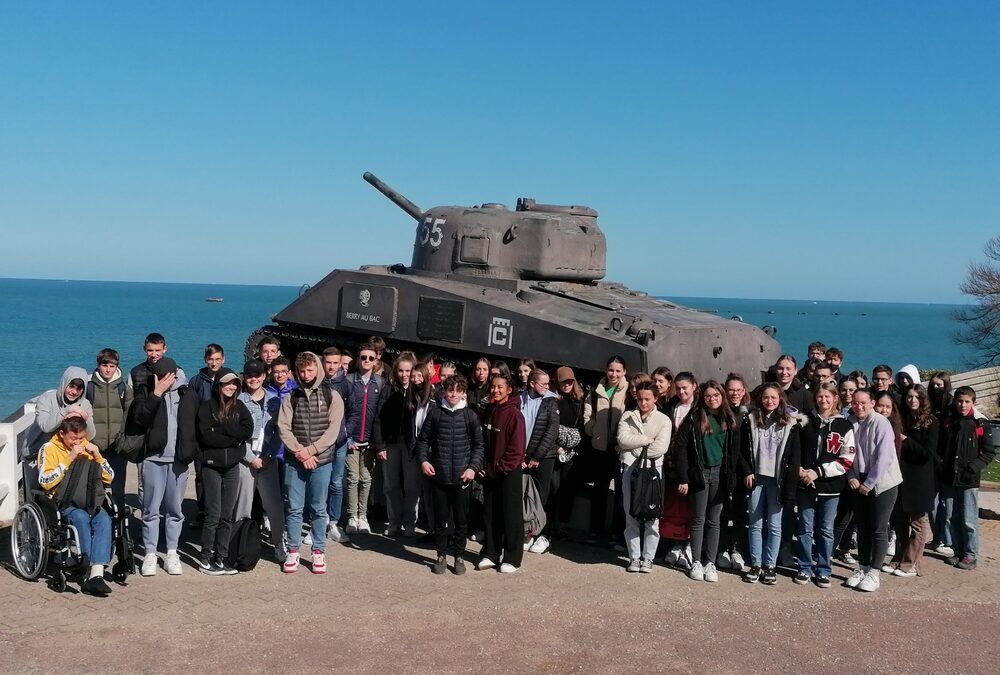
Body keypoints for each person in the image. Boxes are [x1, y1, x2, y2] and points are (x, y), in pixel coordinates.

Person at [278, 352, 345, 574]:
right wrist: (300, 453)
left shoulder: (331, 396)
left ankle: (318, 551)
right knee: (294, 508)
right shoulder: (291, 397)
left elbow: (332, 431)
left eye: (310, 369)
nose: (306, 375)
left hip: (322, 461)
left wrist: (311, 451)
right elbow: (284, 428)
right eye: (302, 371)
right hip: (295, 462)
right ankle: (293, 550)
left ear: (318, 368)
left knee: (318, 508)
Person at [130, 357, 196, 577]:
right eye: (159, 376)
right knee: (150, 509)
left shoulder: (187, 393)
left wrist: (191, 452)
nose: (163, 379)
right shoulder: (146, 392)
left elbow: (195, 425)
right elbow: (138, 420)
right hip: (152, 459)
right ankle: (150, 553)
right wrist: (156, 394)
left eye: (167, 375)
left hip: (178, 460)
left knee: (175, 510)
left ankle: (171, 552)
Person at [37, 415, 115, 596]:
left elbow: (109, 478)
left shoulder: (89, 447)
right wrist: (69, 459)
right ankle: (85, 566)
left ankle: (96, 575)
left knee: (103, 518)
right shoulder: (49, 449)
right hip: (61, 501)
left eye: (81, 438)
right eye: (73, 438)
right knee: (80, 518)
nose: (78, 442)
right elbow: (45, 481)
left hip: (88, 500)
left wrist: (98, 457)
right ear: (62, 433)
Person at [415, 375, 485, 575]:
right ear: (444, 391)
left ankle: (459, 556)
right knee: (440, 520)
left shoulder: (470, 416)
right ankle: (441, 556)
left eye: (457, 390)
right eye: (450, 390)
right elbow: (423, 441)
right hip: (439, 477)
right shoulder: (435, 414)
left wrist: (472, 467)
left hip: (462, 478)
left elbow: (479, 445)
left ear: (463, 393)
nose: (453, 394)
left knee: (461, 521)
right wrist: (424, 461)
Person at [674, 381, 738, 582]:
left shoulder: (730, 418)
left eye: (716, 395)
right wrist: (683, 477)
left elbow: (734, 451)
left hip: (720, 474)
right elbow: (681, 448)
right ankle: (696, 561)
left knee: (714, 520)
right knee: (698, 519)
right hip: (700, 474)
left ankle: (710, 562)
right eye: (709, 395)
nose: (713, 399)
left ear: (722, 397)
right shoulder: (695, 418)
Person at [795, 382, 856, 588]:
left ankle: (823, 568)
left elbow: (847, 460)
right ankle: (804, 566)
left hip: (830, 488)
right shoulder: (803, 422)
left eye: (828, 397)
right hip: (805, 485)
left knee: (825, 530)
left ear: (835, 398)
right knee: (804, 529)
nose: (824, 400)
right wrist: (800, 470)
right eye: (820, 396)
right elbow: (794, 449)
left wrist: (819, 472)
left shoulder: (844, 426)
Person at [739, 383, 801, 585]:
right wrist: (747, 470)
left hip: (778, 480)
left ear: (780, 399)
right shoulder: (751, 420)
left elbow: (794, 458)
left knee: (775, 525)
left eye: (774, 397)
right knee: (755, 524)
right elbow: (743, 449)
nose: (769, 401)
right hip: (757, 478)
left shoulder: (790, 423)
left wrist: (790, 488)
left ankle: (770, 565)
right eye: (766, 397)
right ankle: (756, 564)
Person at [845, 389, 903, 592]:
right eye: (855, 403)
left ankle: (874, 573)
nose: (859, 407)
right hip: (858, 479)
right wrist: (851, 476)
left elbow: (884, 457)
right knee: (862, 527)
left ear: (872, 403)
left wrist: (868, 483)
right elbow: (847, 452)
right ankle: (863, 567)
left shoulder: (881, 423)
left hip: (882, 482)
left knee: (879, 527)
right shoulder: (849, 422)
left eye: (863, 403)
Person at [196, 372, 254, 575]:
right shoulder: (206, 407)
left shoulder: (239, 407)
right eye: (227, 383)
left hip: (232, 466)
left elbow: (248, 430)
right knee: (213, 514)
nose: (231, 386)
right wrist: (233, 436)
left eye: (234, 383)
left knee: (227, 515)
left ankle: (221, 557)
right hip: (211, 465)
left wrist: (223, 430)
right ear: (219, 385)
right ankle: (205, 558)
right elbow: (206, 437)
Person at [936, 386, 996, 570]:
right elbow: (940, 446)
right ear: (955, 401)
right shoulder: (947, 421)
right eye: (960, 401)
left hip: (968, 478)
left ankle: (970, 554)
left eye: (967, 401)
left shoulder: (980, 424)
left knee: (969, 519)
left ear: (973, 403)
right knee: (950, 516)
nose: (963, 405)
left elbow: (989, 452)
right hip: (948, 477)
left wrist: (973, 467)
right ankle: (958, 550)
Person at [617, 381, 671, 573]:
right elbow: (622, 440)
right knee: (630, 513)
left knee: (652, 516)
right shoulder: (628, 416)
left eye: (647, 399)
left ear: (655, 398)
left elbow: (660, 448)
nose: (643, 403)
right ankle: (634, 557)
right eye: (640, 399)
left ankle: (648, 558)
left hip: (653, 471)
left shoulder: (664, 420)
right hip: (630, 470)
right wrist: (645, 441)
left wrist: (636, 448)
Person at [335, 342, 388, 535]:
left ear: (376, 361)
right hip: (351, 438)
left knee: (366, 478)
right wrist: (347, 437)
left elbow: (380, 415)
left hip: (369, 440)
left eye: (371, 358)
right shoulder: (348, 381)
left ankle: (363, 515)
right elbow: (341, 412)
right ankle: (351, 516)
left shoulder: (380, 383)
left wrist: (377, 439)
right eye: (363, 357)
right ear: (358, 359)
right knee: (352, 478)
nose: (367, 361)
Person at [477, 372, 527, 573]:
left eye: (500, 387)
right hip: (489, 472)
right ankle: (490, 552)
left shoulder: (515, 415)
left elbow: (516, 450)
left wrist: (500, 468)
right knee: (490, 514)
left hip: (508, 473)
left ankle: (512, 557)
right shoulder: (489, 410)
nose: (495, 390)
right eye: (493, 386)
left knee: (510, 515)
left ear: (509, 390)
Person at [236, 359, 285, 559]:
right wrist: (250, 458)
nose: (253, 379)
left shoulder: (275, 400)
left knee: (274, 505)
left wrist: (268, 456)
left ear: (265, 376)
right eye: (249, 376)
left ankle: (278, 542)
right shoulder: (239, 401)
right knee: (242, 505)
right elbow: (235, 435)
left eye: (257, 375)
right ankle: (240, 545)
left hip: (267, 460)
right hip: (245, 460)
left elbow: (279, 433)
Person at [890, 384, 938, 577]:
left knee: (918, 524)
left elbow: (927, 454)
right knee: (900, 521)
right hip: (902, 476)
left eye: (916, 397)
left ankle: (908, 564)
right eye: (909, 396)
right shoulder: (902, 418)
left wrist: (905, 440)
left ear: (923, 399)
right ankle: (899, 558)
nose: (912, 400)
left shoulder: (931, 422)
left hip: (920, 478)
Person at [582, 356, 629, 546]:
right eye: (611, 370)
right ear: (605, 370)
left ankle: (617, 532)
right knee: (599, 490)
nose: (614, 374)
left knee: (620, 492)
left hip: (619, 448)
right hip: (600, 446)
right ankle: (595, 530)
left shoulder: (628, 391)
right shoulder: (596, 390)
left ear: (624, 371)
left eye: (618, 371)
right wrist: (594, 432)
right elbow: (588, 415)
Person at [378, 353, 422, 537]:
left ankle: (410, 523)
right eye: (401, 370)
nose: (404, 374)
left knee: (412, 486)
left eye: (408, 371)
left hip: (411, 445)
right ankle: (394, 522)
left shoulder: (419, 391)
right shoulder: (389, 389)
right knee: (391, 485)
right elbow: (378, 419)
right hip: (391, 443)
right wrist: (380, 445)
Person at [86, 348, 133, 511]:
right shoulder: (89, 388)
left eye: (112, 366)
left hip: (117, 446)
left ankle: (119, 521)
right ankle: (97, 517)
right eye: (104, 365)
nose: (108, 369)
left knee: (118, 487)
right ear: (98, 365)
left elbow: (129, 415)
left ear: (117, 367)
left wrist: (124, 439)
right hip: (94, 447)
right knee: (95, 486)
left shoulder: (123, 388)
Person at [24, 366, 97, 467]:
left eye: (79, 388)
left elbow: (90, 435)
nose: (74, 392)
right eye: (71, 386)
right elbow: (46, 427)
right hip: (37, 455)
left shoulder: (85, 404)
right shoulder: (47, 399)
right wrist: (67, 410)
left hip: (66, 456)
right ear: (64, 383)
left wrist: (84, 416)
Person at [521, 368, 560, 554]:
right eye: (543, 383)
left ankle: (543, 535)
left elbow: (552, 431)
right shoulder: (521, 398)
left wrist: (537, 456)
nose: (546, 386)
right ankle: (527, 533)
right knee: (525, 495)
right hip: (523, 456)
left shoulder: (551, 402)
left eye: (548, 383)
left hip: (544, 457)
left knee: (542, 496)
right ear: (532, 383)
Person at [718, 373, 751, 572]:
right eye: (731, 390)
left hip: (742, 471)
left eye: (739, 390)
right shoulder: (721, 413)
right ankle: (722, 548)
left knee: (739, 511)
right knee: (721, 511)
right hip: (722, 468)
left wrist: (747, 470)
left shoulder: (748, 414)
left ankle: (736, 547)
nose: (735, 393)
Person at [552, 366, 584, 538]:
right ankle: (550, 523)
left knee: (568, 488)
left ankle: (563, 524)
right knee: (554, 487)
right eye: (563, 382)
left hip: (572, 450)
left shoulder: (578, 401)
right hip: (555, 448)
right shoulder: (553, 400)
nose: (567, 385)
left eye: (570, 382)